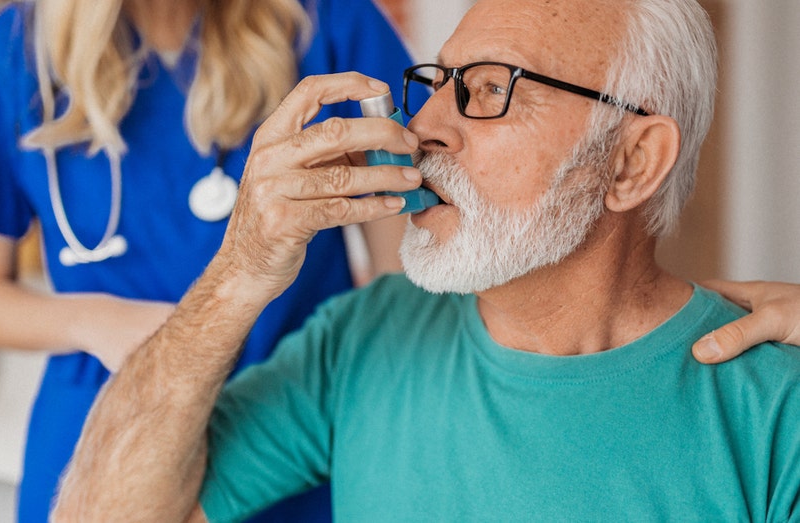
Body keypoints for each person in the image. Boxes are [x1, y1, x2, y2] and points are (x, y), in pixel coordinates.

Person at [51, 0, 800, 521]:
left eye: (487, 89)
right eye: (435, 83)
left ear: (632, 161)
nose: (423, 127)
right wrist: (236, 273)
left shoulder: (775, 408)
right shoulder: (364, 336)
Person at [0, 0, 414, 520]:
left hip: (297, 424)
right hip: (110, 425)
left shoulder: (332, 25)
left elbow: (401, 279)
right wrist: (104, 323)